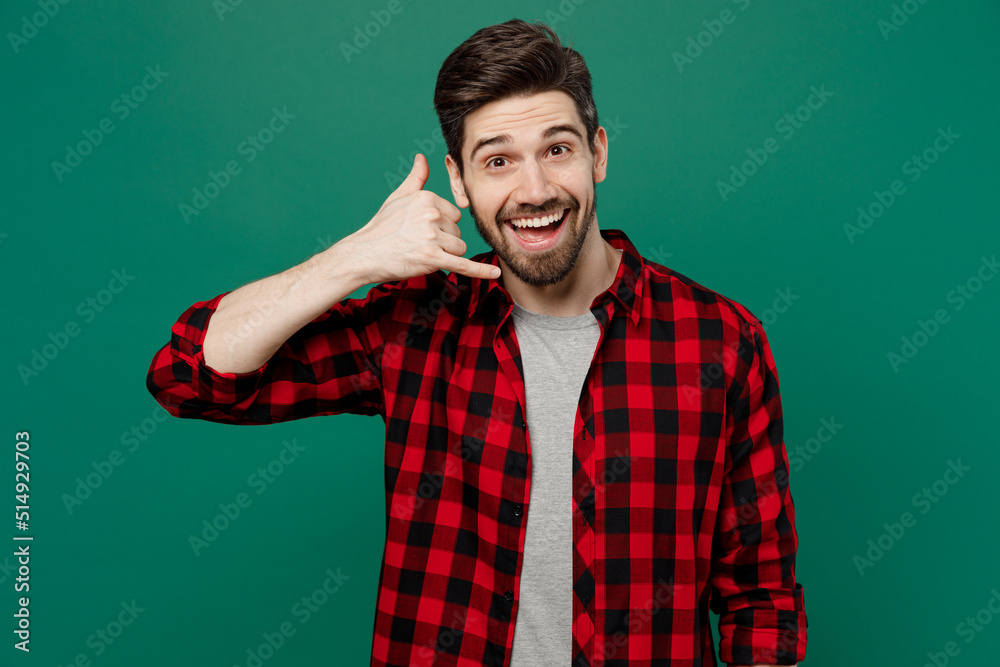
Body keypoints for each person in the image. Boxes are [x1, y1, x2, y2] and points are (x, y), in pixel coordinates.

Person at [146, 18, 807, 667]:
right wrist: (352, 258)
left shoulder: (721, 342)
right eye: (498, 161)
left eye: (557, 149)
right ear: (459, 182)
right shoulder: (414, 326)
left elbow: (761, 599)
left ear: (598, 151)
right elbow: (190, 373)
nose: (536, 190)